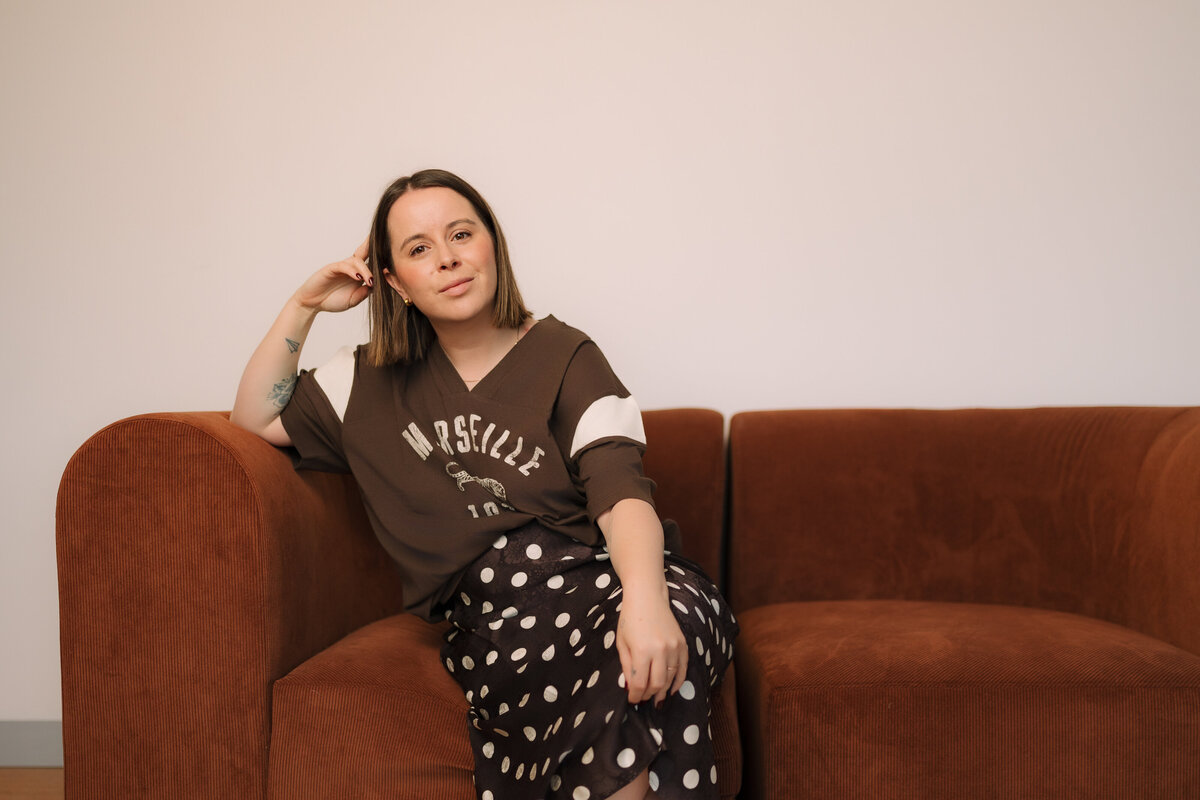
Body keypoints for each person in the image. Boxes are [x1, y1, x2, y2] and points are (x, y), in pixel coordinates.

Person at [231, 169, 737, 800]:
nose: (447, 259)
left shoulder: (566, 354)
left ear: (492, 243)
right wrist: (304, 306)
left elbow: (620, 489)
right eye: (418, 250)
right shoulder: (362, 382)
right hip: (500, 616)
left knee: (670, 628)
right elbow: (253, 416)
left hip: (612, 569)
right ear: (395, 283)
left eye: (461, 234)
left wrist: (645, 598)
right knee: (622, 665)